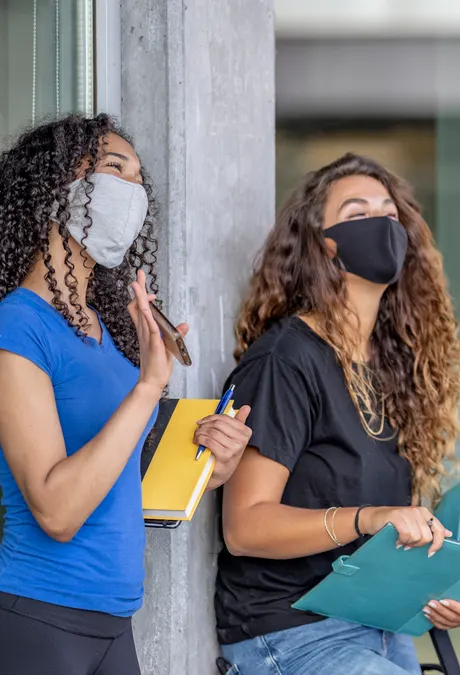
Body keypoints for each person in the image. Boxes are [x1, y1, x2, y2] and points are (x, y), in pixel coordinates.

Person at [215, 153, 460, 675]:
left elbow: (396, 530)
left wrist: (443, 589)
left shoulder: (392, 366)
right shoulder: (285, 361)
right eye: (358, 213)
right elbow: (245, 527)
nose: (383, 225)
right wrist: (369, 519)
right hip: (292, 635)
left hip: (380, 626)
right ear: (323, 244)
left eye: (390, 213)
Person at [0, 114, 253, 674]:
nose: (132, 191)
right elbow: (58, 511)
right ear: (54, 185)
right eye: (115, 168)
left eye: (139, 178)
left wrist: (211, 466)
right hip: (41, 617)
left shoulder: (102, 331)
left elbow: (120, 479)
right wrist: (149, 385)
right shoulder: (17, 325)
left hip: (114, 623)